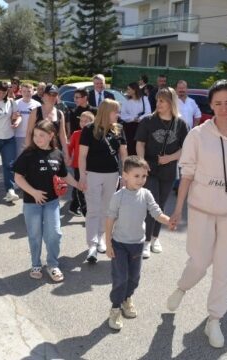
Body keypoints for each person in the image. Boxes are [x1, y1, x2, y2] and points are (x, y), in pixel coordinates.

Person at [167, 80, 227, 348]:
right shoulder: (197, 135)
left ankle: (214, 320)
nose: (224, 108)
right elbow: (187, 175)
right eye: (218, 103)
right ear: (211, 106)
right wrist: (178, 209)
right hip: (201, 210)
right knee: (199, 262)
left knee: (224, 269)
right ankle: (182, 287)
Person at [106, 156, 172, 330]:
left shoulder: (146, 194)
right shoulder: (118, 197)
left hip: (137, 244)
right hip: (119, 243)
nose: (141, 180)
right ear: (125, 175)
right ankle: (115, 308)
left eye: (144, 176)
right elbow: (110, 219)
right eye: (136, 176)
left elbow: (156, 213)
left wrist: (169, 221)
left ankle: (127, 298)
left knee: (134, 278)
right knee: (120, 278)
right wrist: (108, 243)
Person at [14, 120, 80, 282]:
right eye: (35, 135)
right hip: (32, 203)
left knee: (55, 234)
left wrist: (79, 185)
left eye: (41, 135)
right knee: (35, 235)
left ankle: (52, 265)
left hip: (52, 202)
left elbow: (64, 175)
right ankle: (36, 264)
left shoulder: (57, 154)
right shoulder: (28, 154)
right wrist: (34, 192)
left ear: (51, 136)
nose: (37, 138)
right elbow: (18, 177)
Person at [135, 87, 188, 258]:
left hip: (169, 170)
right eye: (157, 100)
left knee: (162, 204)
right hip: (150, 168)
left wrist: (171, 158)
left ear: (171, 102)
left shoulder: (181, 124)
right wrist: (142, 163)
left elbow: (185, 149)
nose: (158, 104)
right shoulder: (148, 121)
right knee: (152, 205)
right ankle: (145, 241)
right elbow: (140, 144)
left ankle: (155, 238)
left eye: (162, 101)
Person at [78, 98, 128, 264]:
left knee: (107, 210)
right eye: (116, 111)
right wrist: (82, 175)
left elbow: (123, 154)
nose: (118, 114)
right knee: (93, 210)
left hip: (112, 175)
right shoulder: (89, 129)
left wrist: (125, 175)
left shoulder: (119, 129)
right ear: (107, 112)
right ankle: (91, 245)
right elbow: (82, 155)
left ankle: (100, 238)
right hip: (92, 174)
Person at [25, 84, 70, 165]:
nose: (51, 97)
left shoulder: (60, 113)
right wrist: (28, 152)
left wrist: (66, 153)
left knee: (55, 176)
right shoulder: (35, 112)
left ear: (57, 97)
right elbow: (29, 132)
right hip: (37, 150)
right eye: (49, 94)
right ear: (44, 96)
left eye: (54, 95)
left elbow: (62, 135)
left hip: (54, 152)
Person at [68, 111, 94, 216]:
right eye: (81, 121)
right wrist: (68, 157)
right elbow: (70, 147)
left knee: (88, 186)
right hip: (78, 165)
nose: (83, 123)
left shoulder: (94, 134)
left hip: (91, 165)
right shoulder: (76, 134)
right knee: (79, 186)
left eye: (86, 121)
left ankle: (74, 206)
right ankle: (84, 209)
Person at [120, 82, 152, 155]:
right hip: (129, 128)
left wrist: (139, 118)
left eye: (129, 89)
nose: (127, 91)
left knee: (141, 144)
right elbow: (123, 115)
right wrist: (133, 118)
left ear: (134, 90)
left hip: (141, 126)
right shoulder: (126, 101)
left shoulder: (144, 99)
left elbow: (148, 112)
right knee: (130, 147)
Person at [15, 82, 40, 158]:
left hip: (33, 136)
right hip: (18, 135)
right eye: (24, 91)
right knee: (19, 158)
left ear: (33, 92)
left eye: (29, 91)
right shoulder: (16, 103)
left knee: (32, 158)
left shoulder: (37, 105)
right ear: (20, 92)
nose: (27, 93)